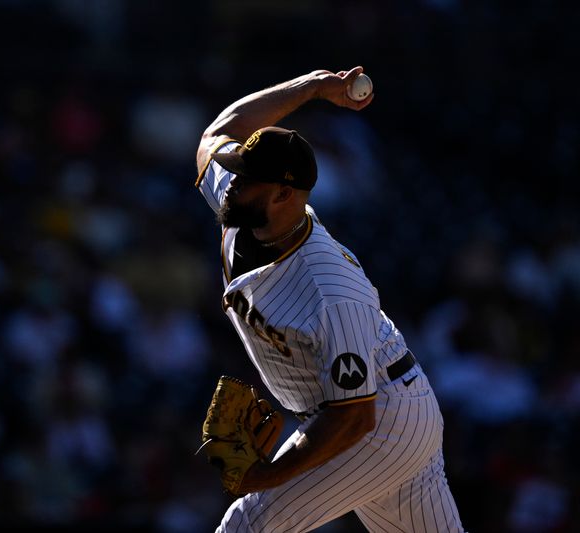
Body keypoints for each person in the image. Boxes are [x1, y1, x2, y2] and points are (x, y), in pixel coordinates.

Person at [195, 66, 465, 532]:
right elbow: (219, 133)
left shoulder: (330, 288)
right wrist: (315, 87)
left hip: (380, 422)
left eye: (245, 178)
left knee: (249, 526)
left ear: (284, 193)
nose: (231, 182)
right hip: (374, 407)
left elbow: (354, 417)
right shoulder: (244, 208)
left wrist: (268, 475)